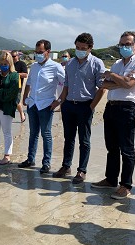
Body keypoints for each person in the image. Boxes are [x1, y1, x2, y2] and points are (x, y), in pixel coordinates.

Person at [91, 31, 135, 199]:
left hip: (128, 107)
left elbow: (129, 85)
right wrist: (120, 80)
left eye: (128, 44)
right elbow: (105, 84)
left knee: (126, 148)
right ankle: (111, 179)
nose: (124, 47)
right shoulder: (117, 63)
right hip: (111, 106)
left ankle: (126, 185)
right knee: (112, 147)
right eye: (121, 44)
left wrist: (114, 76)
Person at [50, 33, 106, 186]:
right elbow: (66, 87)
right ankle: (66, 166)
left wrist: (91, 107)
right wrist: (60, 102)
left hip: (85, 106)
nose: (79, 50)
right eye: (77, 48)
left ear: (90, 48)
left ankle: (81, 170)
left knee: (84, 140)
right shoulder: (70, 64)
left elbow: (102, 88)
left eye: (83, 48)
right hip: (68, 105)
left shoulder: (97, 63)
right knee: (68, 138)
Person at [18, 40, 65, 173]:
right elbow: (29, 83)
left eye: (40, 52)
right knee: (33, 133)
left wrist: (58, 101)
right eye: (36, 52)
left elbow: (65, 85)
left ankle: (46, 162)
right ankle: (30, 159)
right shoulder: (34, 66)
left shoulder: (56, 67)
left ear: (48, 52)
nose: (38, 54)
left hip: (46, 105)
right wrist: (24, 98)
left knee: (46, 134)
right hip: (33, 104)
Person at [11, 50, 28, 123]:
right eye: (11, 56)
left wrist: (16, 74)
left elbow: (25, 74)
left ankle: (22, 114)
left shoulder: (22, 64)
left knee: (16, 101)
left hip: (18, 85)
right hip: (9, 85)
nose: (12, 58)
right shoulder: (9, 64)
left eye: (14, 56)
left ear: (18, 56)